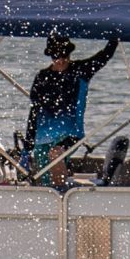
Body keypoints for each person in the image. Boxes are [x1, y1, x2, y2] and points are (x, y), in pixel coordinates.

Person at [25, 34, 119, 188]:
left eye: (64, 55)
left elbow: (104, 56)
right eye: (56, 56)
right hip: (43, 136)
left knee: (55, 154)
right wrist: (27, 145)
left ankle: (61, 193)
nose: (61, 60)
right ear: (50, 55)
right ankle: (51, 201)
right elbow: (34, 112)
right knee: (44, 178)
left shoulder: (81, 70)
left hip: (71, 133)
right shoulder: (42, 77)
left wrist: (115, 36)